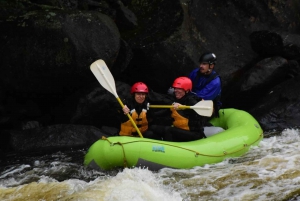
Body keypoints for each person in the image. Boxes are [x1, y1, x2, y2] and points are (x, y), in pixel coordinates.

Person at [151, 77, 207, 142]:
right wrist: (151, 115)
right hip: (181, 130)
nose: (176, 91)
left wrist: (184, 107)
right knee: (153, 127)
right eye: (175, 88)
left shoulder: (192, 100)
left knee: (169, 130)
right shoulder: (176, 100)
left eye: (179, 89)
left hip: (194, 133)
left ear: (187, 90)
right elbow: (166, 111)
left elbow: (199, 114)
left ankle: (169, 149)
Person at [189, 52, 222, 117]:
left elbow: (201, 99)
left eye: (204, 64)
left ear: (211, 66)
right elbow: (187, 86)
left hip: (205, 106)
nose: (201, 66)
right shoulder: (195, 72)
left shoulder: (215, 82)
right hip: (191, 99)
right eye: (200, 63)